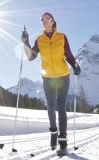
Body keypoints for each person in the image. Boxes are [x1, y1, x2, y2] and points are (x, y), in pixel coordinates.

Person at [22, 12, 81, 152]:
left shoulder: (62, 37)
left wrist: (75, 65)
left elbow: (69, 54)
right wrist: (25, 42)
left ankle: (63, 138)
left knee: (61, 108)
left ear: (53, 21)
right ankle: (53, 133)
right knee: (50, 108)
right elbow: (31, 57)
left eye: (46, 18)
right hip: (47, 77)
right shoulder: (39, 40)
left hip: (63, 76)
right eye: (41, 19)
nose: (43, 21)